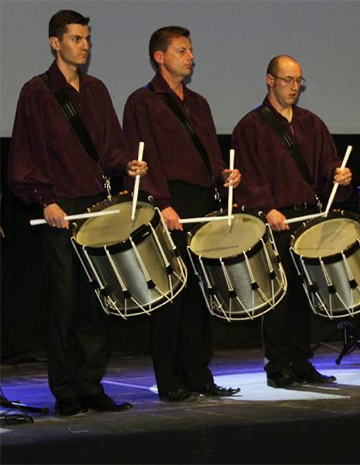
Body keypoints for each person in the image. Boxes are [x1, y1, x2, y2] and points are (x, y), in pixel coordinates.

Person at [8, 10, 147, 416]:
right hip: (61, 207)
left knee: (96, 297)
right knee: (65, 299)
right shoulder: (36, 92)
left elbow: (109, 147)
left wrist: (127, 165)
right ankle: (66, 391)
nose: (84, 46)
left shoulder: (98, 90)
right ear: (55, 43)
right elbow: (25, 153)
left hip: (97, 206)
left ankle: (91, 385)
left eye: (87, 39)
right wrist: (43, 198)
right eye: (75, 39)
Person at [122, 26, 241, 401]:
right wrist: (161, 203)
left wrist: (224, 175)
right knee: (171, 294)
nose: (190, 57)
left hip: (201, 199)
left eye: (190, 51)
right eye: (182, 50)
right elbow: (144, 154)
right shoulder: (143, 102)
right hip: (168, 201)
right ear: (160, 57)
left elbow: (207, 151)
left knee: (199, 293)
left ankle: (197, 373)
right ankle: (169, 378)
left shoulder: (198, 102)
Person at [232, 55, 349, 387]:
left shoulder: (311, 123)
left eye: (299, 81)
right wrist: (267, 208)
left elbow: (328, 163)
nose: (294, 87)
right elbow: (249, 175)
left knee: (305, 292)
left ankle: (300, 360)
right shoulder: (250, 127)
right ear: (270, 80)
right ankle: (278, 363)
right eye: (287, 80)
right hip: (275, 218)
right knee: (279, 294)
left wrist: (338, 175)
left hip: (307, 217)